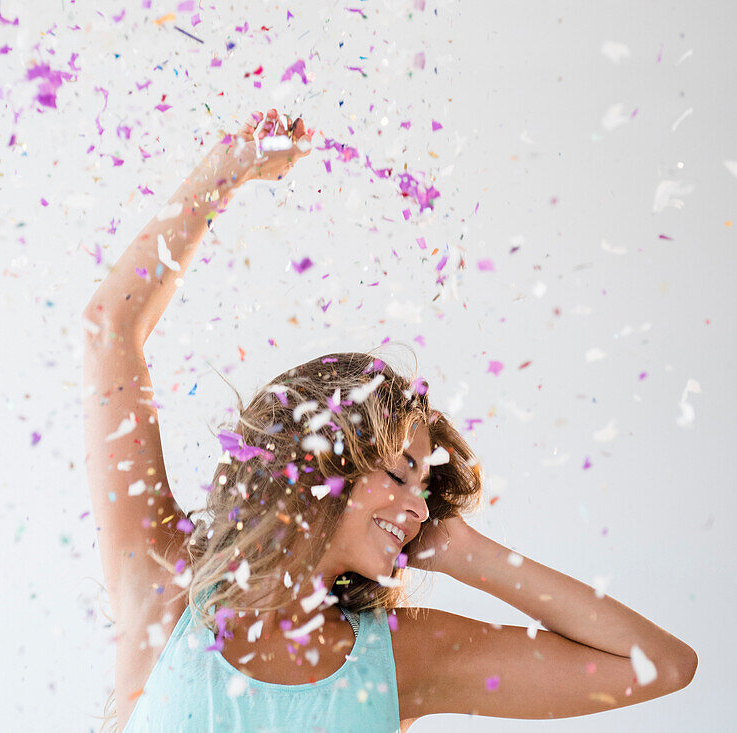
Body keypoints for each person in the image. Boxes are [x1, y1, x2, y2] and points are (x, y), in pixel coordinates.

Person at [81, 109, 696, 732]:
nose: (421, 507)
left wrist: (467, 554)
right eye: (403, 473)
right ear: (320, 457)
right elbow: (109, 330)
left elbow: (658, 666)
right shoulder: (163, 583)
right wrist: (223, 173)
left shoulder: (402, 658)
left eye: (423, 489)